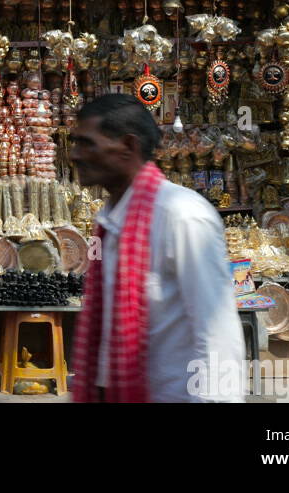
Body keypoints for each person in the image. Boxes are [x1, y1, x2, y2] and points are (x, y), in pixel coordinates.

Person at [69, 94, 245, 403]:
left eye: (87, 144)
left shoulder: (182, 215)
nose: (75, 155)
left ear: (128, 147)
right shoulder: (110, 220)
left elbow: (217, 332)